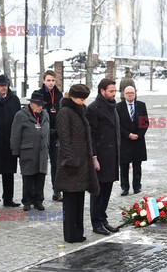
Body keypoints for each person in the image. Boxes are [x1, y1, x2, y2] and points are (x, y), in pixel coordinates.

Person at [55, 84, 100, 243]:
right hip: (71, 164)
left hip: (82, 163)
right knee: (70, 202)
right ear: (72, 97)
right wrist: (70, 159)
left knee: (79, 200)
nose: (83, 101)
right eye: (81, 99)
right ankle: (70, 234)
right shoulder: (65, 112)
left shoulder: (79, 110)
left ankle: (78, 232)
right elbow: (64, 138)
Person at [86, 78, 120, 235]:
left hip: (112, 156)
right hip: (100, 157)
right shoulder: (94, 108)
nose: (114, 94)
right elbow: (90, 136)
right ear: (102, 91)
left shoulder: (112, 106)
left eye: (115, 91)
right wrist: (94, 157)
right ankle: (96, 222)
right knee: (98, 192)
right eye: (111, 91)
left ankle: (103, 218)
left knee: (107, 190)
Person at [10, 91, 50, 212]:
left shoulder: (45, 115)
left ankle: (38, 200)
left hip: (42, 151)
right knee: (28, 177)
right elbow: (15, 135)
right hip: (27, 151)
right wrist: (15, 151)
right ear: (31, 103)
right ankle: (27, 201)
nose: (40, 107)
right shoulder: (21, 115)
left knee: (40, 176)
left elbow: (47, 133)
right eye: (37, 104)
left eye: (41, 104)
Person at [0, 75, 22, 209]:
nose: (3, 88)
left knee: (9, 171)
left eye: (5, 85)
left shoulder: (14, 99)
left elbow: (19, 118)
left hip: (10, 139)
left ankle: (8, 198)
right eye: (1, 85)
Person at [116, 86, 149, 196]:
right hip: (125, 141)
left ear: (135, 93)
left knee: (137, 165)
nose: (130, 95)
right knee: (124, 166)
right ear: (124, 94)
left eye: (132, 93)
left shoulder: (141, 105)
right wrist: (128, 134)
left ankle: (137, 186)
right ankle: (124, 187)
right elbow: (117, 125)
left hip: (138, 141)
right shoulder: (118, 107)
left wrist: (138, 135)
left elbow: (145, 123)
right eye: (128, 93)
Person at [37, 70, 63, 202]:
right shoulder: (38, 94)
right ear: (43, 81)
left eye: (53, 80)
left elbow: (62, 114)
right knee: (40, 165)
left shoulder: (59, 95)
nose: (51, 83)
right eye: (48, 80)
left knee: (56, 164)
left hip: (56, 134)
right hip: (42, 134)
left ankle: (57, 191)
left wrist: (58, 130)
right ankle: (38, 195)